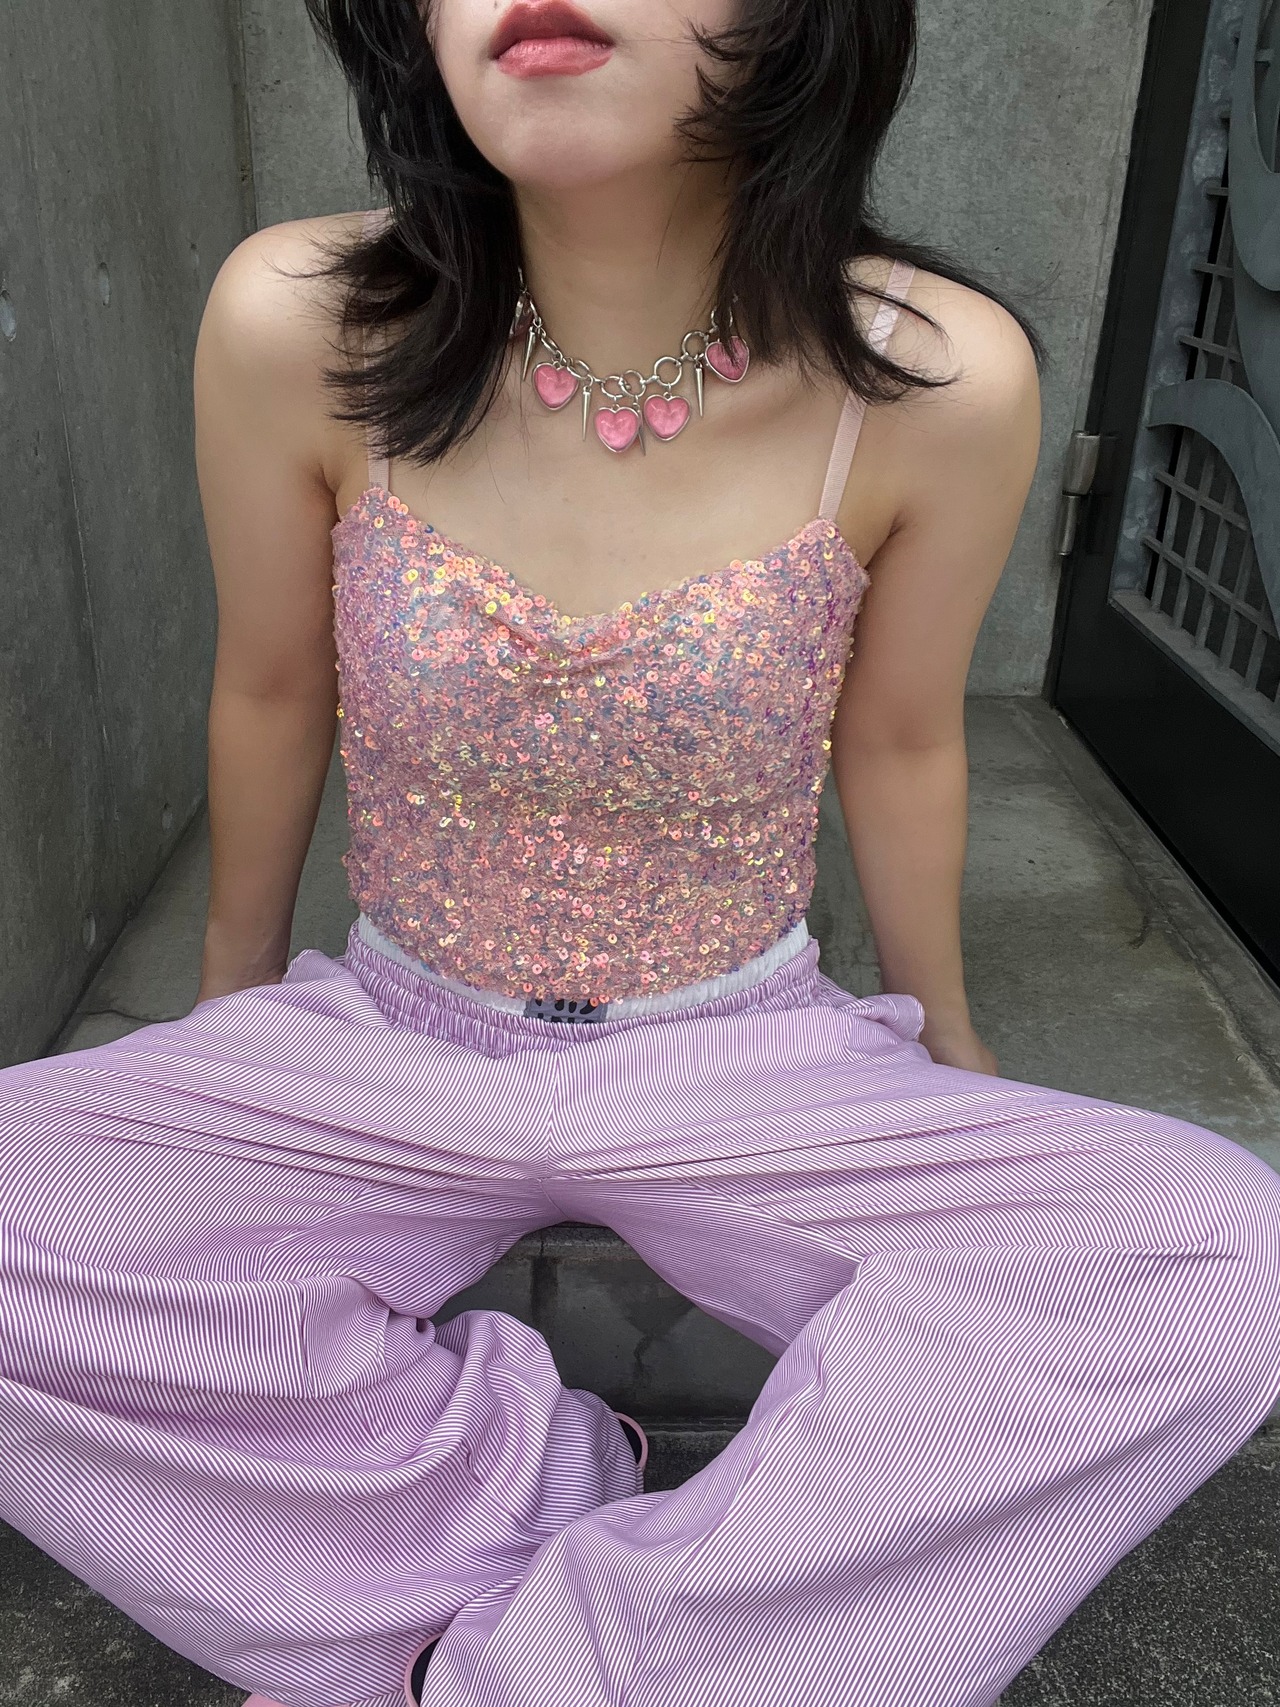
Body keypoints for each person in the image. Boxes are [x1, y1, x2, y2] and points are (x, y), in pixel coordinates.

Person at [1, 2, 1278, 1705]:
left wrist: (952, 1046)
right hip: (394, 1032)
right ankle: (508, 1493)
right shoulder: (301, 322)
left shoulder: (933, 375)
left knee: (1221, 1259)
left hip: (741, 1048)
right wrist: (225, 1023)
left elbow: (901, 741)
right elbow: (271, 688)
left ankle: (548, 1668)